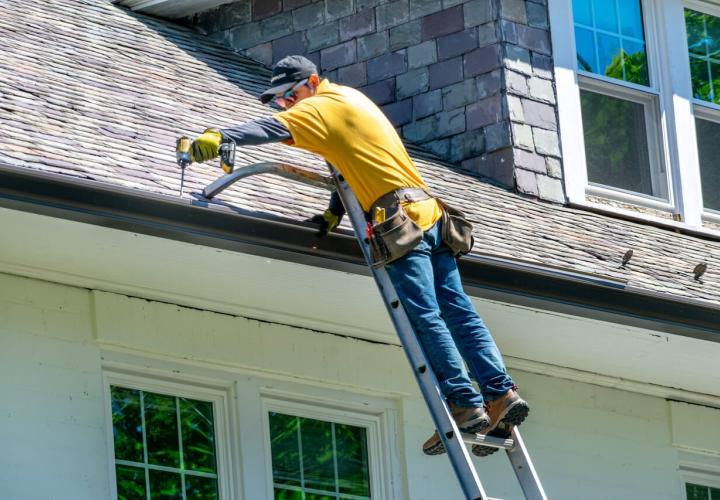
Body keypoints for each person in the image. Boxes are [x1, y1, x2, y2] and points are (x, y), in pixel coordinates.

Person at [184, 55, 529, 457]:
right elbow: (352, 160)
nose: (286, 106)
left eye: (288, 96)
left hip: (399, 221)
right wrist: (335, 210)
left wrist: (218, 135)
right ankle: (499, 396)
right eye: (279, 101)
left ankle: (464, 404)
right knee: (458, 311)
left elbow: (267, 129)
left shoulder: (318, 105)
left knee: (425, 315)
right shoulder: (351, 100)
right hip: (432, 215)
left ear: (311, 82)